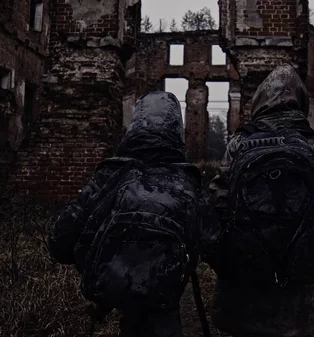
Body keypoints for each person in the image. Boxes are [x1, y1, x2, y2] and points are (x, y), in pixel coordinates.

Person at [203, 64, 314, 337]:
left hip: (246, 284)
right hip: (302, 293)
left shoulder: (240, 143)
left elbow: (217, 204)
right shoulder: (313, 144)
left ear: (260, 100)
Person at [48, 91, 205, 337]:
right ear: (177, 128)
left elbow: (60, 243)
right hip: (166, 306)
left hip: (113, 295)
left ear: (134, 125)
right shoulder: (186, 182)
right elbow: (210, 243)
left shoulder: (109, 175)